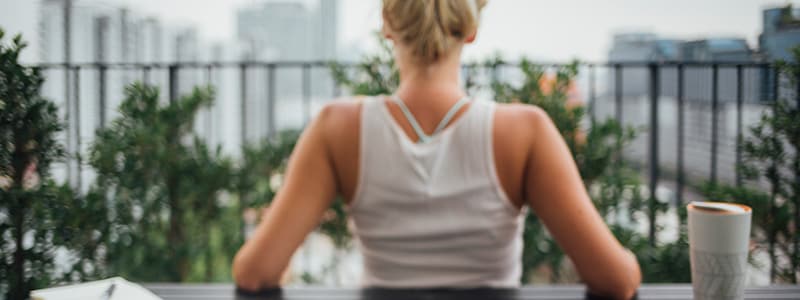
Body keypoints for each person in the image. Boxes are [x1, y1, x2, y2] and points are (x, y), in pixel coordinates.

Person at [232, 0, 641, 299]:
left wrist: (280, 265)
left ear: (388, 24)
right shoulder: (526, 131)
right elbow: (616, 281)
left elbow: (254, 274)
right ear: (472, 28)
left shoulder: (336, 129)